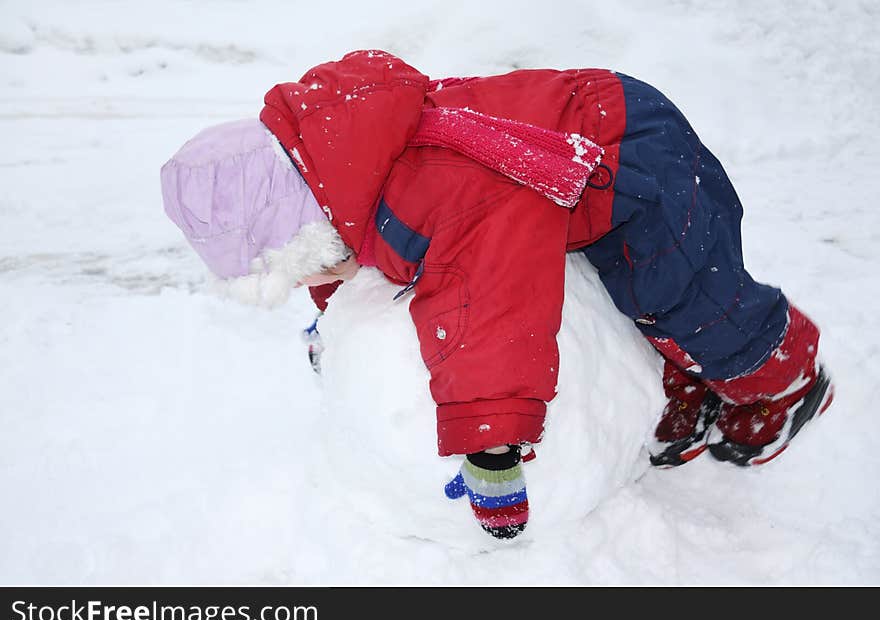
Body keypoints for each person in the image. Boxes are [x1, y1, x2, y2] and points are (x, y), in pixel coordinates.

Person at [160, 50, 834, 540]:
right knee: (643, 301)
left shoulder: (434, 194)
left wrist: (489, 446)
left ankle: (783, 380)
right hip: (579, 143)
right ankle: (686, 384)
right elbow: (348, 263)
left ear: (307, 234)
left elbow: (489, 305)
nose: (313, 286)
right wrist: (332, 331)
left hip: (635, 158)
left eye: (299, 272)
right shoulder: (349, 172)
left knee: (688, 300)